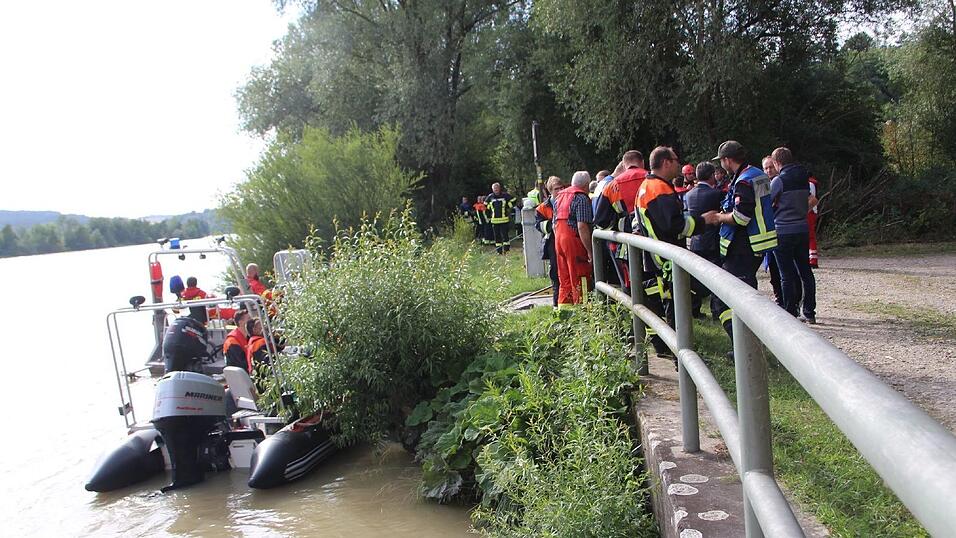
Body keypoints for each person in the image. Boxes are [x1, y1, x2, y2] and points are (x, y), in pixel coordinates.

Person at [634, 147, 716, 361]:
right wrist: (704, 221)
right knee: (676, 307)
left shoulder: (646, 186)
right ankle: (682, 357)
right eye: (676, 160)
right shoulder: (659, 189)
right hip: (667, 260)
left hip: (656, 258)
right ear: (666, 162)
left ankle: (677, 353)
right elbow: (675, 226)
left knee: (671, 305)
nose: (679, 164)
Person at [709, 140, 777, 349]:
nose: (721, 166)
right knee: (746, 295)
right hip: (756, 244)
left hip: (743, 246)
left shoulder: (744, 181)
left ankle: (745, 348)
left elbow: (741, 217)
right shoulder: (758, 174)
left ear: (727, 160)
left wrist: (719, 217)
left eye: (721, 161)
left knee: (725, 300)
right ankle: (747, 345)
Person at [770, 147, 817, 323]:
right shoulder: (803, 177)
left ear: (777, 163)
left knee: (786, 274)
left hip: (782, 230)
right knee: (806, 271)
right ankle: (810, 311)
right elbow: (810, 199)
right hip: (802, 229)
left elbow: (767, 202)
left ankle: (790, 312)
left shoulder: (779, 180)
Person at [593, 151, 647, 289]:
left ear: (624, 164)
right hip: (653, 241)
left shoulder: (611, 186)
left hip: (625, 244)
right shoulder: (652, 179)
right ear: (642, 162)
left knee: (631, 284)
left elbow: (601, 220)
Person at [684, 161, 724, 319]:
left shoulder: (689, 195)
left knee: (695, 277)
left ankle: (695, 309)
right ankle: (716, 311)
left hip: (696, 240)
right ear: (711, 175)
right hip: (713, 240)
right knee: (716, 277)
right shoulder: (716, 194)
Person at [553, 171, 594, 305]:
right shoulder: (581, 198)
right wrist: (589, 250)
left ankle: (564, 313)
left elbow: (554, 224)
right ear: (586, 185)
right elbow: (582, 226)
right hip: (574, 242)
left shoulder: (559, 197)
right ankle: (584, 311)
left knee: (565, 279)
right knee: (581, 277)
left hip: (559, 240)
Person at [535, 176, 565, 307]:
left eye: (561, 188)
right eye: (557, 189)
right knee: (555, 274)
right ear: (550, 191)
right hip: (552, 242)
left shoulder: (569, 201)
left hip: (567, 241)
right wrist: (552, 224)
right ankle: (556, 305)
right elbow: (538, 225)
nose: (560, 191)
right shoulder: (542, 208)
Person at [761, 155, 786, 308]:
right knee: (772, 268)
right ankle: (779, 298)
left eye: (771, 167)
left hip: (781, 230)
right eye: (766, 168)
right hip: (769, 233)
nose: (769, 170)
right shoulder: (763, 185)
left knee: (783, 269)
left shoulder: (781, 182)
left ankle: (787, 301)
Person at [486, 183, 515, 254]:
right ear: (492, 189)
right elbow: (485, 205)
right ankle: (499, 251)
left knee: (505, 235)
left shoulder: (505, 195)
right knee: (497, 236)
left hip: (504, 220)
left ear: (499, 188)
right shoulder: (490, 197)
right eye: (494, 188)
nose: (496, 189)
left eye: (497, 188)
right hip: (494, 221)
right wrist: (489, 209)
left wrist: (508, 206)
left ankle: (506, 250)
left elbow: (514, 200)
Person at [808, 176, 820, 268]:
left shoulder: (809, 184)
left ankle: (813, 259)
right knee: (810, 236)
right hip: (812, 211)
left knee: (810, 236)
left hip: (809, 211)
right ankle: (812, 258)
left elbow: (811, 200)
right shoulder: (813, 183)